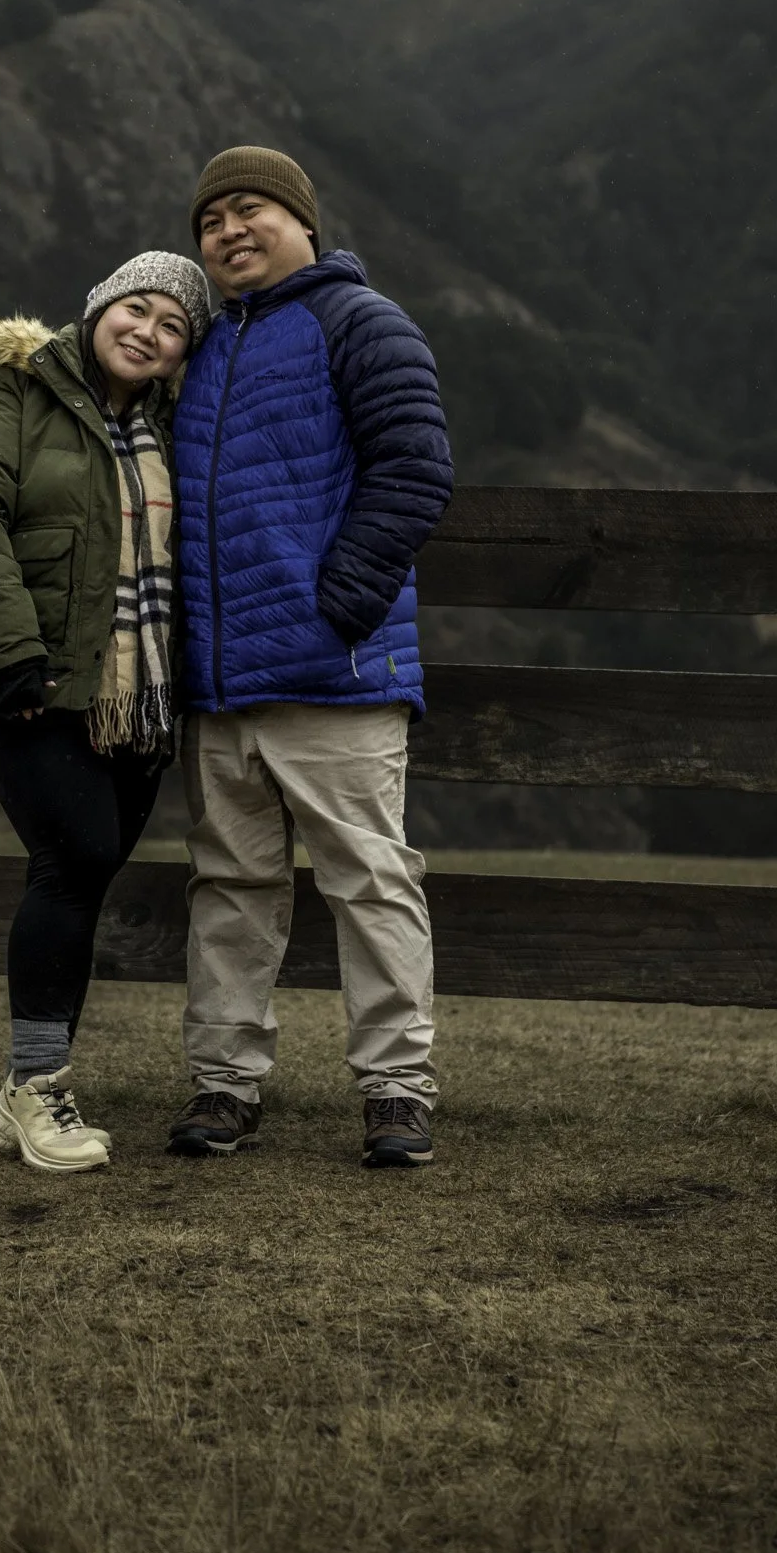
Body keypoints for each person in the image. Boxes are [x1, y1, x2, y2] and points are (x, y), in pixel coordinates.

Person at [167, 147, 454, 1169]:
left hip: (331, 674)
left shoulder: (357, 320)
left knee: (367, 881)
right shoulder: (198, 344)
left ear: (300, 221)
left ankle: (394, 1092)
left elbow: (415, 468)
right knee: (229, 886)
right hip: (219, 683)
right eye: (211, 222)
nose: (229, 232)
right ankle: (224, 1085)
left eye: (249, 211)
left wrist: (335, 609)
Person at [0, 250, 211, 1174]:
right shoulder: (15, 390)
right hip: (32, 681)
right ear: (97, 310)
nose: (149, 331)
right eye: (136, 308)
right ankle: (38, 1088)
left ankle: (25, 1089)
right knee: (75, 855)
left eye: (172, 327)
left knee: (83, 876)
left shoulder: (172, 424)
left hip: (140, 693)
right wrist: (12, 654)